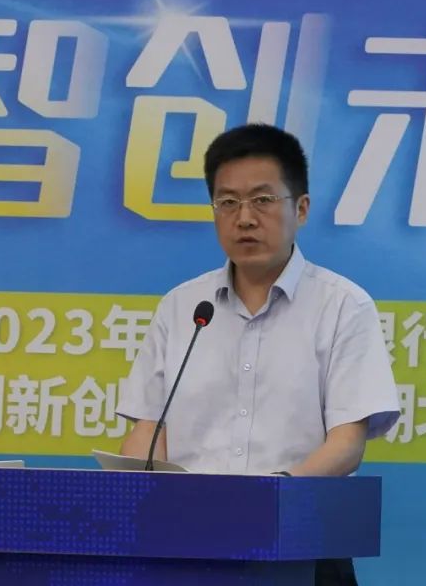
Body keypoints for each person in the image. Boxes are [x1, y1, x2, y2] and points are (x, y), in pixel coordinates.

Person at [117, 123, 401, 586]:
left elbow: (347, 444)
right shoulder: (183, 307)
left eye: (262, 199)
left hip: (302, 546)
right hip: (186, 547)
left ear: (300, 208)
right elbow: (149, 431)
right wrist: (135, 490)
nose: (244, 218)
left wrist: (270, 499)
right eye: (227, 202)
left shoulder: (343, 306)